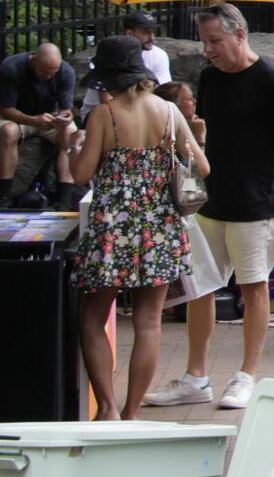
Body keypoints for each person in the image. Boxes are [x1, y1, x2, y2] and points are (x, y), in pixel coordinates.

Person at [145, 4, 274, 411]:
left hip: (257, 202)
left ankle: (247, 375)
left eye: (215, 40)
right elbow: (211, 131)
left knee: (254, 287)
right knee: (200, 285)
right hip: (212, 199)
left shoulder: (273, 79)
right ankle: (197, 376)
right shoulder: (211, 77)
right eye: (205, 41)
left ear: (239, 35)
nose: (208, 49)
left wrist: (271, 181)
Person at [67, 37, 207, 420]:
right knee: (148, 323)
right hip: (159, 224)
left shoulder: (104, 115)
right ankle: (131, 412)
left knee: (92, 318)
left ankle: (108, 408)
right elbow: (203, 170)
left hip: (113, 227)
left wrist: (70, 146)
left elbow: (80, 174)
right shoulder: (167, 110)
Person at [0, 43, 79, 208]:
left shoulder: (65, 72)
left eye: (53, 73)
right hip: (19, 117)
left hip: (49, 119)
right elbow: (6, 110)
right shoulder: (11, 67)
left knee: (70, 135)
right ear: (33, 59)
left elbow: (66, 110)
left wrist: (65, 118)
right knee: (8, 132)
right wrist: (33, 120)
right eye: (44, 71)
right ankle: (5, 195)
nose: (48, 77)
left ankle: (65, 197)